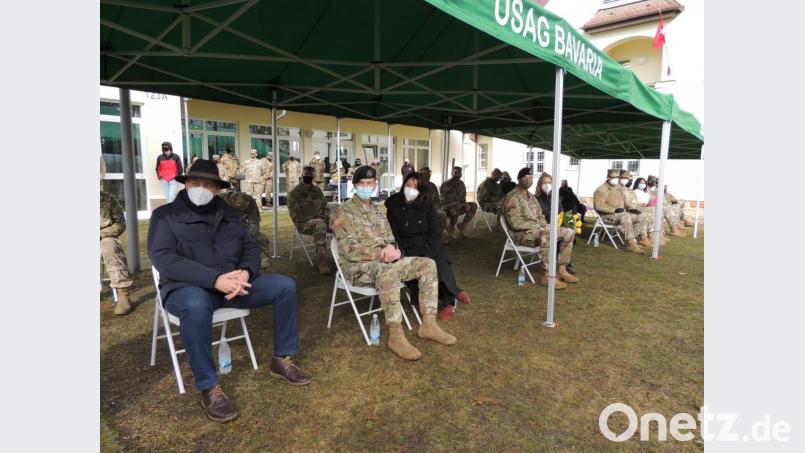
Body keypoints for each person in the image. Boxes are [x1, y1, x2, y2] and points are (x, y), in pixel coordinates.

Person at [147, 159, 311, 422]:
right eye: (195, 183)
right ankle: (209, 387)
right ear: (186, 184)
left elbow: (251, 248)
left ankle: (282, 359)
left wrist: (246, 271)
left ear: (217, 189)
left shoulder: (231, 215)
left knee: (284, 286)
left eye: (208, 184)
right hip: (186, 288)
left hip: (235, 285)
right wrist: (214, 280)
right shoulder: (165, 216)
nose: (200, 188)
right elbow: (164, 258)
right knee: (196, 306)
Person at [331, 166, 457, 361]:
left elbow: (391, 237)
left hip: (386, 261)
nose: (366, 186)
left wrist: (393, 248)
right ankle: (396, 337)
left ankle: (429, 325)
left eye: (370, 183)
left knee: (428, 264)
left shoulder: (377, 210)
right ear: (355, 185)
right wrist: (381, 253)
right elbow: (350, 250)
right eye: (362, 183)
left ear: (375, 185)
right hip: (358, 267)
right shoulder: (344, 213)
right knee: (388, 273)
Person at [385, 171, 470, 322]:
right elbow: (394, 234)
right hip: (407, 248)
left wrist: (431, 251)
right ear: (403, 185)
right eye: (408, 185)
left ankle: (449, 303)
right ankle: (454, 292)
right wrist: (400, 251)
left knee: (439, 260)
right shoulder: (393, 205)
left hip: (428, 244)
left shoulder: (426, 205)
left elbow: (435, 232)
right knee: (427, 265)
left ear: (421, 190)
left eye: (416, 187)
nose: (411, 189)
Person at [503, 168, 578, 289]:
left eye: (531, 177)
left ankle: (562, 270)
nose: (529, 180)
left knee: (569, 232)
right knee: (548, 235)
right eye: (526, 178)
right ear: (519, 179)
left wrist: (545, 225)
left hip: (537, 231)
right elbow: (516, 224)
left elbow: (540, 216)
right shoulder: (512, 197)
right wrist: (541, 227)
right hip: (522, 235)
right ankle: (547, 277)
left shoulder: (532, 197)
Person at [592, 169, 649, 254]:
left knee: (643, 216)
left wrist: (631, 208)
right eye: (614, 177)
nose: (616, 179)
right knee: (625, 216)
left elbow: (625, 201)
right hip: (607, 215)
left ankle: (631, 239)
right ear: (608, 177)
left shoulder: (619, 188)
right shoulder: (601, 189)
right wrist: (614, 210)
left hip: (621, 213)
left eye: (617, 177)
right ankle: (631, 243)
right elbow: (598, 206)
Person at [288, 166, 331, 274]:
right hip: (304, 224)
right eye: (306, 176)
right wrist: (315, 219)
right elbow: (294, 214)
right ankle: (322, 261)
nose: (308, 178)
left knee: (339, 223)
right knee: (320, 224)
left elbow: (325, 206)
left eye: (310, 176)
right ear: (302, 176)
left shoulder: (317, 190)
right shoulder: (295, 192)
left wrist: (327, 218)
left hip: (320, 220)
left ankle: (344, 256)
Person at [535, 172, 580, 276]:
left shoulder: (555, 197)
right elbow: (537, 217)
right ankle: (561, 266)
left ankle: (562, 266)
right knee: (558, 237)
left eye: (549, 182)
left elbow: (562, 213)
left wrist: (570, 223)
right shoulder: (536, 199)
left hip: (556, 226)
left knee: (570, 233)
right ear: (539, 185)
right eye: (544, 183)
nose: (547, 185)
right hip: (544, 226)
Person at [101, 186, 134, 315]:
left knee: (109, 246)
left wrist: (102, 233)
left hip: (104, 237)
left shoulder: (108, 199)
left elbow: (120, 224)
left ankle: (123, 294)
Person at [220, 190, 272, 270]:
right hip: (222, 231)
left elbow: (254, 221)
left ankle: (260, 264)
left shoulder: (250, 201)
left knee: (261, 239)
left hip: (243, 228)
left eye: (242, 210)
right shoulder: (219, 200)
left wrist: (251, 234)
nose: (241, 212)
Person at [618, 169, 657, 247]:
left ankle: (647, 234)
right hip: (630, 210)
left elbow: (649, 201)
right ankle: (643, 236)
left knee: (654, 211)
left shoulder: (640, 192)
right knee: (649, 213)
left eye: (630, 179)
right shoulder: (632, 191)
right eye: (626, 178)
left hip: (636, 208)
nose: (629, 181)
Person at [440, 166, 478, 239]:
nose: (457, 174)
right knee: (455, 208)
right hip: (447, 208)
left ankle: (463, 225)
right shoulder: (446, 184)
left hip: (459, 206)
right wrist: (460, 204)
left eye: (459, 173)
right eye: (455, 172)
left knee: (473, 205)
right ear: (451, 173)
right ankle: (451, 227)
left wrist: (465, 205)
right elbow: (445, 201)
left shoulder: (461, 184)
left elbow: (463, 198)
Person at [632, 177, 668, 246]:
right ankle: (645, 236)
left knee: (658, 211)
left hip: (646, 207)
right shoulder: (634, 192)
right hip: (638, 208)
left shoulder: (645, 193)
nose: (643, 184)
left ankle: (654, 234)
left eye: (644, 183)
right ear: (637, 183)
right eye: (641, 183)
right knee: (652, 212)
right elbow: (633, 203)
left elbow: (650, 201)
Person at [418, 166, 449, 243]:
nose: (428, 175)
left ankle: (439, 235)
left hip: (432, 208)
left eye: (429, 173)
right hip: (419, 208)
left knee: (442, 214)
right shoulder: (416, 185)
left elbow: (436, 200)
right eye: (426, 174)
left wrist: (434, 208)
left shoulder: (432, 185)